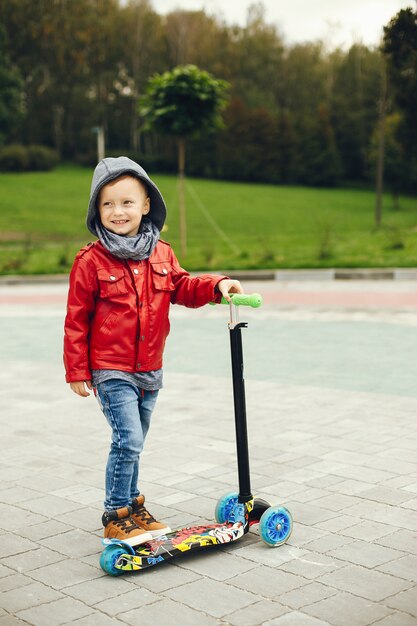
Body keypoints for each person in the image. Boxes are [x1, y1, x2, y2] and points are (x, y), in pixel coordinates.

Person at [63, 156, 243, 546]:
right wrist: (76, 370)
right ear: (96, 209)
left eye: (127, 202)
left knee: (136, 440)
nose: (118, 211)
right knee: (128, 438)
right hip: (110, 367)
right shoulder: (90, 261)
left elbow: (183, 287)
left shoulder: (162, 253)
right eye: (107, 204)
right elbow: (76, 319)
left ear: (146, 205)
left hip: (149, 366)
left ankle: (133, 504)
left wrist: (218, 285)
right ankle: (115, 513)